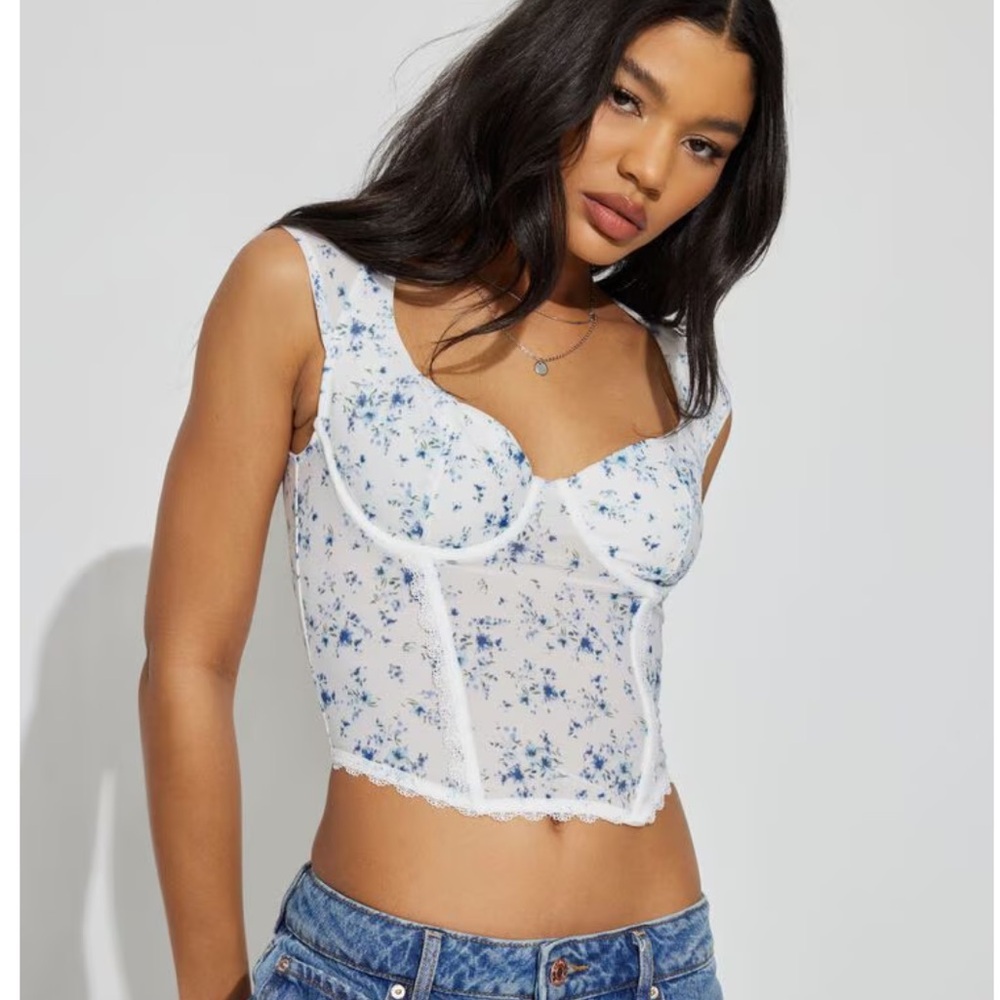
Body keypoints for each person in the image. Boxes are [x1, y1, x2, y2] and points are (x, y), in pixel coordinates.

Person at [138, 1, 787, 998]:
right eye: (626, 99)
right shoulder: (307, 291)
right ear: (552, 65)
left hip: (656, 966)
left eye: (704, 145)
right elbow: (189, 664)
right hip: (390, 969)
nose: (651, 169)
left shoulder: (683, 385)